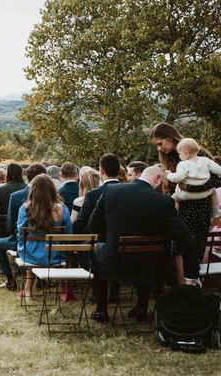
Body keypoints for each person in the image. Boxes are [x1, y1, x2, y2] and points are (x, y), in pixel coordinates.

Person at [87, 166, 200, 323]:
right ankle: (141, 307)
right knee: (149, 257)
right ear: (157, 179)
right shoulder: (163, 202)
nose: (166, 190)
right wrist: (191, 274)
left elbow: (93, 225)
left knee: (97, 255)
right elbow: (186, 239)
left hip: (114, 263)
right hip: (150, 268)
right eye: (166, 185)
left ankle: (101, 310)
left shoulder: (111, 191)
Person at [150, 122, 220, 266]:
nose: (159, 148)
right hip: (180, 212)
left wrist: (189, 188)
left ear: (170, 138)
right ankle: (185, 285)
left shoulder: (196, 154)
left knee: (192, 252)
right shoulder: (169, 160)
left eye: (160, 143)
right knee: (178, 250)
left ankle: (190, 285)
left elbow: (216, 182)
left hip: (198, 210)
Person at [16, 174, 72, 300]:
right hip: (56, 255)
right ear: (52, 189)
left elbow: (20, 233)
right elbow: (68, 233)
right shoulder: (62, 208)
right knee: (37, 248)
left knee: (29, 247)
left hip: (31, 255)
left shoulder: (25, 209)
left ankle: (28, 291)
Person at [0, 163, 47, 290]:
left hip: (25, 244)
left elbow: (11, 226)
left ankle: (10, 280)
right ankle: (40, 279)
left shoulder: (17, 196)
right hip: (50, 246)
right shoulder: (54, 198)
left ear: (27, 177)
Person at [166, 138, 221, 218]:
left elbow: (178, 178)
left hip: (186, 195)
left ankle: (176, 216)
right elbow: (218, 169)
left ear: (186, 153)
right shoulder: (206, 160)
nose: (179, 155)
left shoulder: (183, 164)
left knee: (174, 199)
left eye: (179, 153)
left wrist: (169, 174)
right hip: (205, 193)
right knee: (214, 192)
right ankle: (216, 212)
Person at [73, 153, 121, 233]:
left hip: (100, 240)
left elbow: (80, 224)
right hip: (124, 241)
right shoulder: (131, 192)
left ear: (101, 171)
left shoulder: (92, 195)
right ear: (118, 170)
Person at [0, 164, 26, 239]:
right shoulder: (28, 189)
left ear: (7, 174)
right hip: (24, 232)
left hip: (4, 232)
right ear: (21, 174)